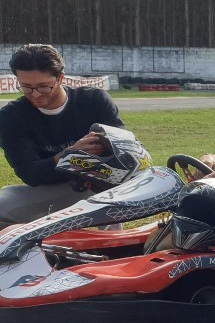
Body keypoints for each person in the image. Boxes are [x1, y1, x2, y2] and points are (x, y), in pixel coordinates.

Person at [0, 44, 125, 226]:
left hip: (97, 187)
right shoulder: (11, 117)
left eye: (43, 87)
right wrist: (69, 156)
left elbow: (124, 153)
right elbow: (30, 174)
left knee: (110, 197)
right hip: (47, 190)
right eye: (26, 87)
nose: (35, 95)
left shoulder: (94, 101)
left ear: (60, 78)